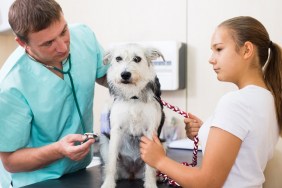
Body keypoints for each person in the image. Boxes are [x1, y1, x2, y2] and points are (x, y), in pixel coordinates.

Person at [140, 16, 282, 188]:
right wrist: (207, 131)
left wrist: (159, 160)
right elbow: (245, 147)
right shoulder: (268, 97)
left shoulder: (236, 102)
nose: (211, 59)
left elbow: (207, 183)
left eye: (219, 49)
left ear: (247, 50)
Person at [0, 0, 109, 187]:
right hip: (36, 181)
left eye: (63, 31)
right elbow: (10, 161)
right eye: (48, 43)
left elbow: (107, 75)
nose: (63, 47)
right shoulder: (10, 85)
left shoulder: (84, 36)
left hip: (80, 171)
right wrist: (59, 150)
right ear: (22, 43)